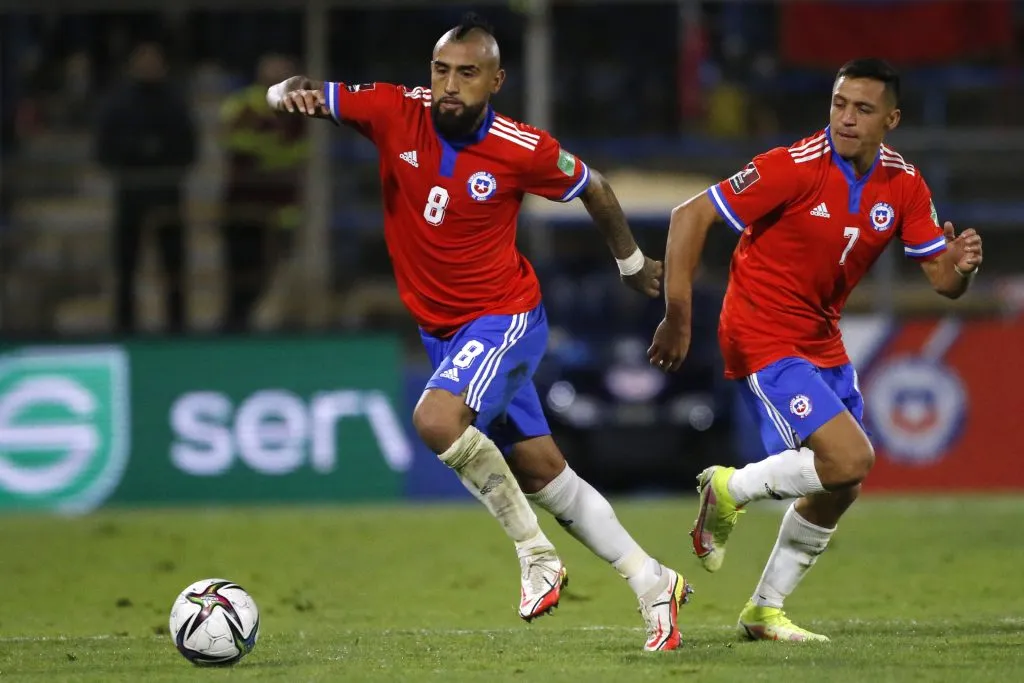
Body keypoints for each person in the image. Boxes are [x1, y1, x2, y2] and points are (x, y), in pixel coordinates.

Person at [267, 13, 691, 651]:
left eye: (467, 73)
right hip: (443, 332)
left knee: (435, 420)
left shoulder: (522, 148)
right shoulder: (392, 110)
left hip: (504, 317)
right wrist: (285, 93)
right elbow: (305, 89)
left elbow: (596, 188)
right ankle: (653, 581)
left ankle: (535, 555)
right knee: (544, 473)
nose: (449, 85)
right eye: (440, 70)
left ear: (496, 81)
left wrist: (631, 264)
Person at [648, 58, 983, 642]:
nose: (846, 118)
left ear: (891, 120)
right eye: (839, 104)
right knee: (851, 459)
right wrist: (678, 315)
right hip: (760, 329)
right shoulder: (792, 166)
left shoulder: (904, 183)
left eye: (863, 109)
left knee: (841, 484)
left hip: (821, 337)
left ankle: (764, 612)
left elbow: (942, 281)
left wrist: (963, 268)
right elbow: (690, 215)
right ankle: (729, 488)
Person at [95, 41, 197, 333]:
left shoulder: (175, 103)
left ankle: (177, 325)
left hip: (166, 190)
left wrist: (163, 160)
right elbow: (103, 148)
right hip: (131, 191)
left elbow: (189, 147)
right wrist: (132, 156)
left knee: (173, 263)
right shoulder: (118, 103)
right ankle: (124, 325)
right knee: (126, 264)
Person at [219, 53, 308, 331]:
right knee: (241, 271)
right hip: (243, 205)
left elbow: (299, 152)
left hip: (283, 210)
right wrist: (271, 149)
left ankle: (260, 324)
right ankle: (235, 324)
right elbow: (236, 142)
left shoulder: (300, 107)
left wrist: (268, 150)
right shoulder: (242, 104)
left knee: (273, 273)